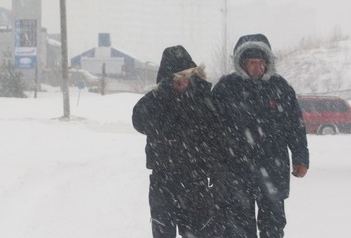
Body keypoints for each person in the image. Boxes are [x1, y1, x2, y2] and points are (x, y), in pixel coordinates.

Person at [212, 33, 309, 238]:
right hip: (236, 171)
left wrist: (301, 158)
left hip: (272, 170)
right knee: (238, 229)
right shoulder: (226, 88)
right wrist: (213, 165)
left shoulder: (280, 87)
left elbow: (295, 126)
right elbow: (213, 130)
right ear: (242, 63)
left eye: (261, 62)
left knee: (273, 227)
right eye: (252, 62)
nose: (258, 67)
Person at [132, 45, 219, 238]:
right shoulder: (156, 101)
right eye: (176, 79)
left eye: (186, 78)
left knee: (200, 233)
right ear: (166, 80)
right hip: (163, 182)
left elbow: (217, 136)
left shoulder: (204, 98)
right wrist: (162, 94)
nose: (182, 84)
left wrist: (214, 169)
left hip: (197, 182)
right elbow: (138, 120)